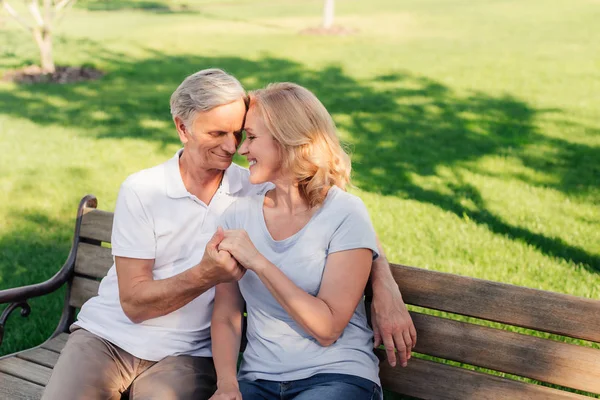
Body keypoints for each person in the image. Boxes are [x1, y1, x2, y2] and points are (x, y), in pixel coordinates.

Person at [42, 69, 415, 400]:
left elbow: (339, 211)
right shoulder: (149, 190)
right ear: (182, 128)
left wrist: (385, 285)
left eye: (240, 134)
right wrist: (209, 275)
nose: (233, 147)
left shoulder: (252, 186)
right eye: (217, 133)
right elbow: (139, 304)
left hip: (196, 354)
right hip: (113, 336)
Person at [210, 82, 401, 400]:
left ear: (288, 140)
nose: (241, 149)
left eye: (253, 138)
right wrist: (227, 385)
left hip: (336, 377)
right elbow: (226, 312)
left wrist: (259, 261)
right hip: (257, 380)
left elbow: (327, 329)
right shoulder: (237, 216)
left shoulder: (343, 213)